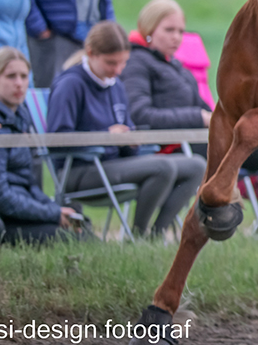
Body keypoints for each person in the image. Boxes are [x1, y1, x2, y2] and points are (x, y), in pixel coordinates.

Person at [120, 0, 258, 233]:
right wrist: (198, 118)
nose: (176, 37)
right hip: (173, 146)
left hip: (204, 140)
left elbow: (208, 110)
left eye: (180, 31)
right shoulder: (137, 63)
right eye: (169, 30)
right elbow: (140, 114)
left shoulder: (176, 67)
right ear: (149, 28)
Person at [46, 21, 205, 239]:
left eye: (123, 63)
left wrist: (130, 141)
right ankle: (137, 236)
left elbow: (123, 134)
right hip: (78, 170)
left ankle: (157, 234)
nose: (118, 70)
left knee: (196, 165)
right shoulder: (70, 84)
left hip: (113, 164)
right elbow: (57, 140)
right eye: (111, 63)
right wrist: (105, 138)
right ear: (91, 53)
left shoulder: (115, 84)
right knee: (163, 166)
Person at [0, 46, 81, 244]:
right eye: (11, 76)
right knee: (68, 236)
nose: (19, 84)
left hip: (17, 206)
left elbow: (28, 183)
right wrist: (50, 214)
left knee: (77, 219)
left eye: (24, 76)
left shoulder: (21, 116)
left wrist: (54, 211)